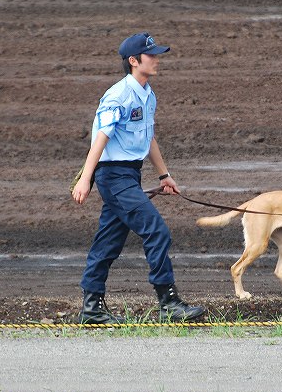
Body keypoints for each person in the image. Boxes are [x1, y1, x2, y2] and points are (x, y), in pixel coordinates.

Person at [71, 32, 205, 324]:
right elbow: (100, 138)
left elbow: (149, 137)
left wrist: (164, 175)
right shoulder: (118, 96)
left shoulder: (148, 94)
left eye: (157, 54)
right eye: (151, 55)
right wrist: (85, 178)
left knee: (108, 241)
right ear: (133, 61)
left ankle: (91, 308)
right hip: (113, 176)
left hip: (130, 174)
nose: (156, 59)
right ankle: (168, 303)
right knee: (157, 230)